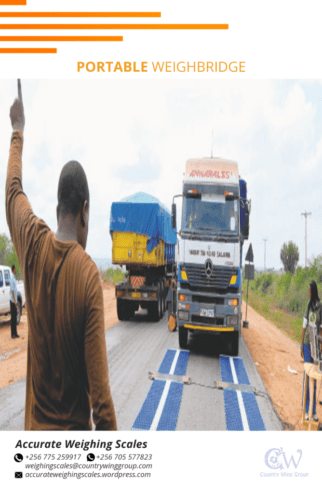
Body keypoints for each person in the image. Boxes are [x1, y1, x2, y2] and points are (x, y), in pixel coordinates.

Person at [6, 83, 117, 431]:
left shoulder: (33, 245)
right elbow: (100, 402)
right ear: (85, 212)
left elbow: (12, 189)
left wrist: (17, 130)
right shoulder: (87, 276)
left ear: (57, 210)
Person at [301, 280, 321, 421]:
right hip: (308, 346)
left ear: (313, 291)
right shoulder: (308, 305)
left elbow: (321, 331)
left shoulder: (320, 308)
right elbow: (304, 325)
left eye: (309, 291)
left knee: (314, 377)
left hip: (316, 349)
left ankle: (313, 410)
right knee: (307, 377)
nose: (308, 293)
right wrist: (301, 344)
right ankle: (306, 408)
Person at [9, 264, 20, 339]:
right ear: (13, 269)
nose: (16, 270)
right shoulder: (11, 278)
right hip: (13, 301)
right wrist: (15, 301)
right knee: (13, 317)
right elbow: (12, 290)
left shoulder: (14, 278)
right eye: (15, 269)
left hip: (14, 301)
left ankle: (15, 333)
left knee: (15, 316)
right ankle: (12, 334)